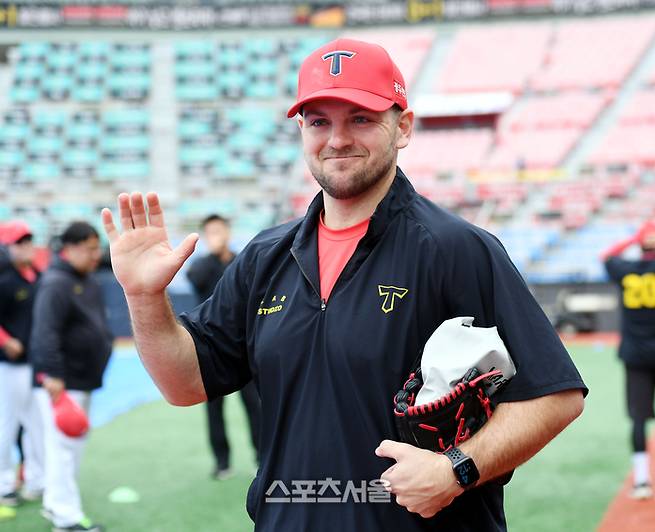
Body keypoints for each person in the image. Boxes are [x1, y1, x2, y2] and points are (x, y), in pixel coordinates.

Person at [102, 39, 586, 531]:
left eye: (360, 118)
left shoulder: (457, 249)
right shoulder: (265, 257)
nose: (337, 139)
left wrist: (456, 469)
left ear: (403, 128)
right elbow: (184, 384)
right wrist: (144, 298)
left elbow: (554, 395)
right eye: (319, 121)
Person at [31, 221, 113, 532]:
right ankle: (65, 519)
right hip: (62, 382)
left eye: (97, 248)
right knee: (63, 449)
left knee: (70, 447)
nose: (96, 255)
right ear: (72, 248)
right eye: (91, 249)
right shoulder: (56, 283)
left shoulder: (85, 279)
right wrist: (52, 374)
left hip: (83, 378)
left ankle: (56, 505)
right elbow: (44, 332)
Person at [186, 214, 261, 479]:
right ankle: (222, 463)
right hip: (211, 348)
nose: (217, 235)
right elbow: (194, 280)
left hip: (245, 347)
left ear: (228, 231)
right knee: (214, 409)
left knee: (256, 405)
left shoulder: (243, 260)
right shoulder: (201, 265)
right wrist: (213, 254)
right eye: (211, 232)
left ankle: (261, 459)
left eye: (220, 230)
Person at [602, 219, 655, 500]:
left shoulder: (626, 269)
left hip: (636, 355)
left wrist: (634, 239)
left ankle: (642, 481)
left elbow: (606, 256)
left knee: (639, 418)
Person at [0, 221, 44, 506]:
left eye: (29, 240)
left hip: (34, 363)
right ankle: (5, 485)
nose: (26, 246)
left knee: (37, 426)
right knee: (5, 425)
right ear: (7, 247)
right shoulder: (3, 280)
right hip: (8, 366)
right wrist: (4, 340)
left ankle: (36, 480)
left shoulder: (38, 276)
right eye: (20, 242)